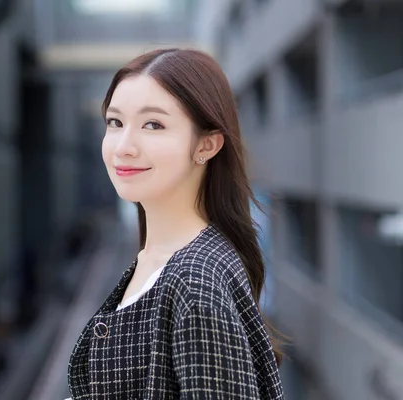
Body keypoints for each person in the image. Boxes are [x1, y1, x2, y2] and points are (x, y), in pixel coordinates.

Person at [67, 48, 285, 399]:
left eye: (153, 124)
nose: (123, 146)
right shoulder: (158, 256)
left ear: (207, 144)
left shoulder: (196, 284)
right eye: (115, 122)